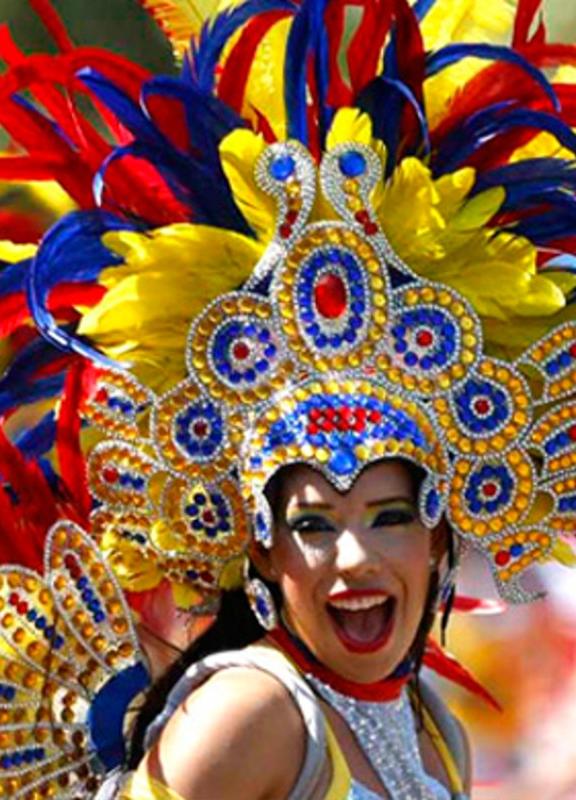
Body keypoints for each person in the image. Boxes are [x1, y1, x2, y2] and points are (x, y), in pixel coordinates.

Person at [0, 1, 574, 799]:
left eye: (391, 516)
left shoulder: (428, 728)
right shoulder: (254, 710)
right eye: (311, 524)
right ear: (261, 553)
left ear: (440, 540)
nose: (355, 556)